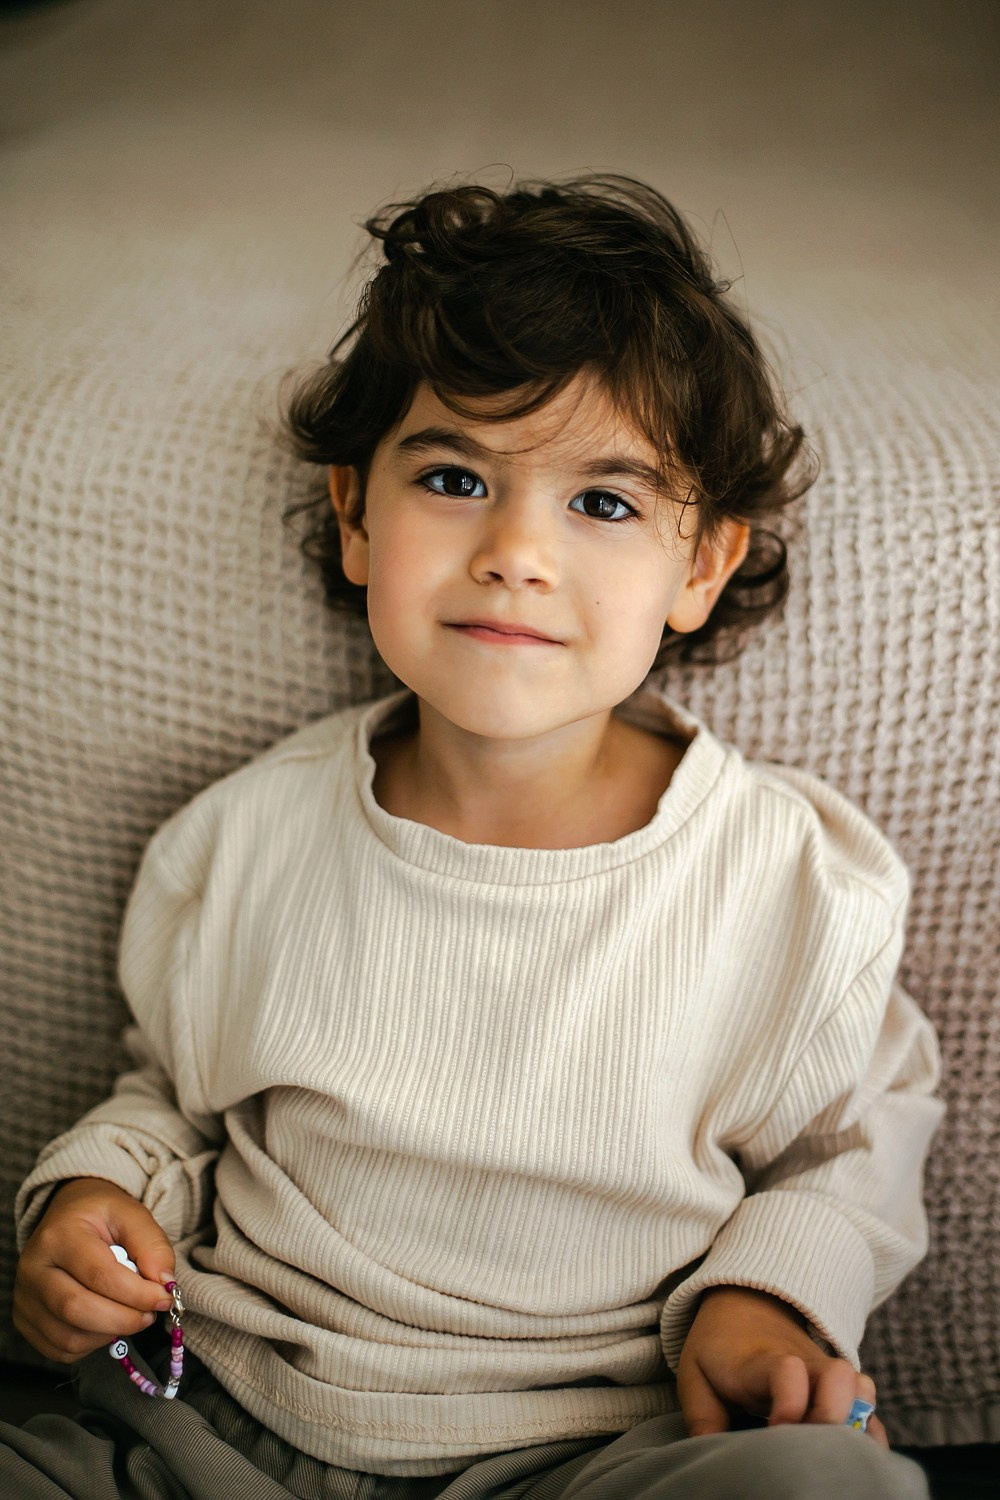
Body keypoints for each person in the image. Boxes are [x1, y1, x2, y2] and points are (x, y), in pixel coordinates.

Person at [3, 176, 942, 1499]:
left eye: (603, 503)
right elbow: (171, 1095)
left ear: (702, 566)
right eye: (455, 479)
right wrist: (95, 1200)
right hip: (220, 1420)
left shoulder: (785, 881)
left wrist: (770, 1301)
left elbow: (852, 1148)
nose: (515, 552)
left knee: (836, 1487)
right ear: (355, 516)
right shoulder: (247, 835)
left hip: (596, 1445)